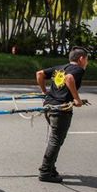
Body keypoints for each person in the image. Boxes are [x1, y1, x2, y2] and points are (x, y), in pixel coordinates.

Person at [35, 46, 89, 183]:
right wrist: (76, 99)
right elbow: (69, 79)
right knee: (56, 140)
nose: (87, 62)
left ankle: (50, 168)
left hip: (49, 106)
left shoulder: (60, 68)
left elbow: (39, 74)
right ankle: (46, 172)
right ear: (81, 59)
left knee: (56, 139)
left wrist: (44, 92)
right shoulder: (78, 69)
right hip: (61, 109)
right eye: (87, 59)